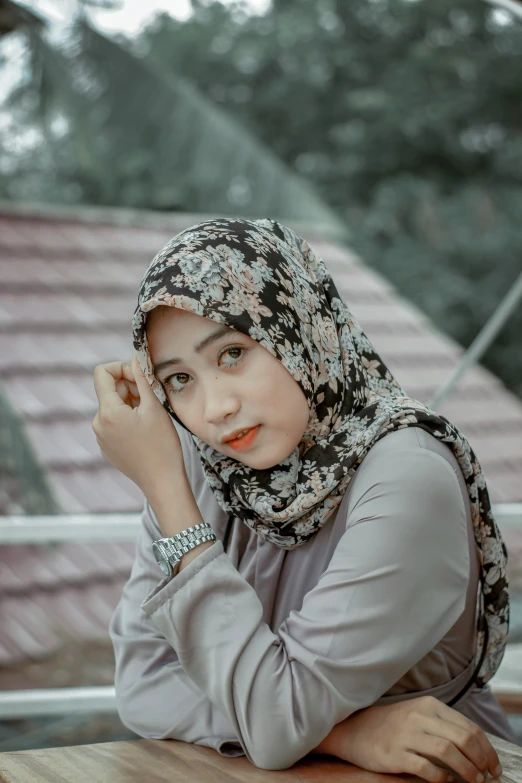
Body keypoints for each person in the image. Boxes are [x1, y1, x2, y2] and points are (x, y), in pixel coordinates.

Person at [93, 217, 514, 781]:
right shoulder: (205, 469)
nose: (214, 408)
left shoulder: (408, 473)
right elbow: (142, 686)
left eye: (233, 353)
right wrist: (344, 733)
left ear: (299, 328)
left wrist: (167, 496)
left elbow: (275, 723)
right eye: (179, 380)